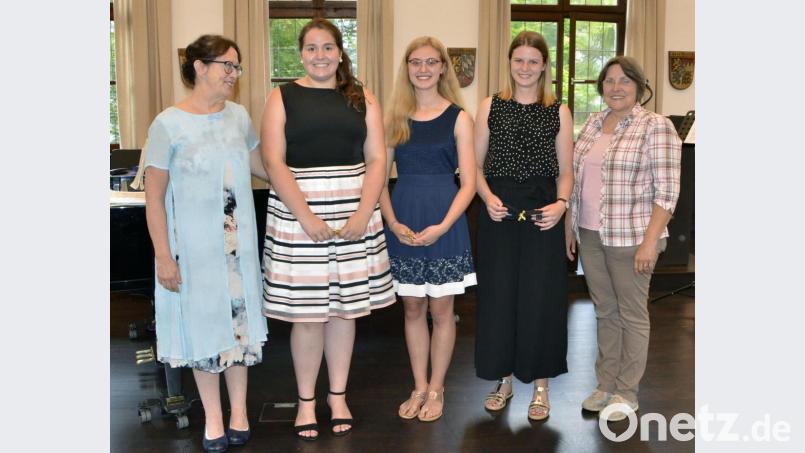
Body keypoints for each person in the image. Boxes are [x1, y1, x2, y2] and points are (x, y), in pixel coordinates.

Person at [260, 18, 395, 440]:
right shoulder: (280, 97)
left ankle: (337, 396)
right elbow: (273, 161)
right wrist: (306, 216)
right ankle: (305, 402)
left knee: (344, 312)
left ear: (340, 51)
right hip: (299, 214)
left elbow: (377, 159)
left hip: (354, 212)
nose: (320, 55)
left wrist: (362, 211)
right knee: (308, 315)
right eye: (312, 48)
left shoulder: (363, 97)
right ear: (301, 53)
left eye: (327, 47)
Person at [143, 34, 269, 453]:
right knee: (205, 331)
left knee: (240, 330)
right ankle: (213, 417)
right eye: (227, 66)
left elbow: (264, 168)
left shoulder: (238, 116)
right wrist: (164, 255)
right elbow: (154, 200)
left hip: (239, 250)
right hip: (194, 253)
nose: (234, 74)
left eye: (237, 67)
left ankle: (239, 412)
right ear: (199, 66)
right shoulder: (167, 124)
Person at [566, 56, 681, 422]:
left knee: (631, 314)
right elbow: (576, 181)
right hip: (590, 233)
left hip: (632, 236)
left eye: (625, 81)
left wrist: (650, 242)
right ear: (601, 86)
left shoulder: (656, 127)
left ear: (639, 86)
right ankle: (605, 385)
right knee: (605, 311)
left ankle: (626, 392)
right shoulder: (593, 124)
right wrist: (571, 226)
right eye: (610, 81)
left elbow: (667, 191)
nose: (616, 87)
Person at [473, 31, 573, 421]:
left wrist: (561, 205)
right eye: (519, 60)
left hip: (544, 216)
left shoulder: (559, 111)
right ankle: (504, 380)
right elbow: (475, 166)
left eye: (534, 61)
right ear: (510, 63)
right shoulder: (490, 106)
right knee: (499, 299)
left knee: (541, 299)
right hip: (499, 212)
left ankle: (542, 387)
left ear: (544, 66)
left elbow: (566, 172)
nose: (526, 68)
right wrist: (487, 198)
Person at [379, 36, 476, 423]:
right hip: (403, 216)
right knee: (413, 306)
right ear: (407, 68)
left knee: (442, 308)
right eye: (415, 62)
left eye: (431, 62)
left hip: (445, 219)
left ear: (442, 68)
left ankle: (437, 387)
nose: (423, 69)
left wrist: (442, 226)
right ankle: (418, 385)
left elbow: (468, 182)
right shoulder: (394, 118)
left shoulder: (459, 117)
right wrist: (392, 222)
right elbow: (379, 179)